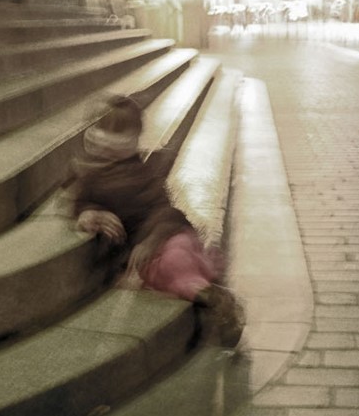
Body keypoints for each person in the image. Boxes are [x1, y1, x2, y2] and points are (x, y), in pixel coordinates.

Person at [70, 95, 244, 347]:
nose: (101, 138)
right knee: (173, 265)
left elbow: (163, 209)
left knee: (173, 264)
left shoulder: (140, 171)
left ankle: (215, 300)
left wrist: (151, 241)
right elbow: (82, 202)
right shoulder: (88, 175)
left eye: (116, 132)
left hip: (166, 237)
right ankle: (213, 297)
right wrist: (91, 213)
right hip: (155, 246)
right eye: (100, 129)